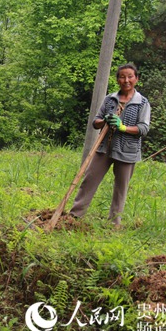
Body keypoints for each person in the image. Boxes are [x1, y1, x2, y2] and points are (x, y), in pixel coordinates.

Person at [68, 64, 151, 227]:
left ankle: (114, 224)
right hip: (104, 147)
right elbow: (95, 122)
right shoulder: (110, 99)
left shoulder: (142, 103)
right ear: (117, 79)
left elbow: (143, 128)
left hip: (127, 151)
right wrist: (105, 119)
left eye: (130, 77)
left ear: (136, 79)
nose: (126, 80)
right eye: (122, 77)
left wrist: (123, 127)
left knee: (121, 188)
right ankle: (75, 216)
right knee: (89, 180)